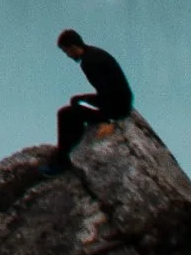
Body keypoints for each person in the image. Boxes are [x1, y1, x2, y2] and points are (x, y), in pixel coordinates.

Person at [51, 28, 133, 168]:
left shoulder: (89, 63)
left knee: (65, 114)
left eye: (67, 52)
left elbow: (106, 94)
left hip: (116, 110)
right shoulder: (94, 54)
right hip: (123, 104)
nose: (68, 55)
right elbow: (108, 91)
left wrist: (108, 120)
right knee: (75, 107)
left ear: (73, 47)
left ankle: (62, 161)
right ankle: (70, 150)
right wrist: (83, 98)